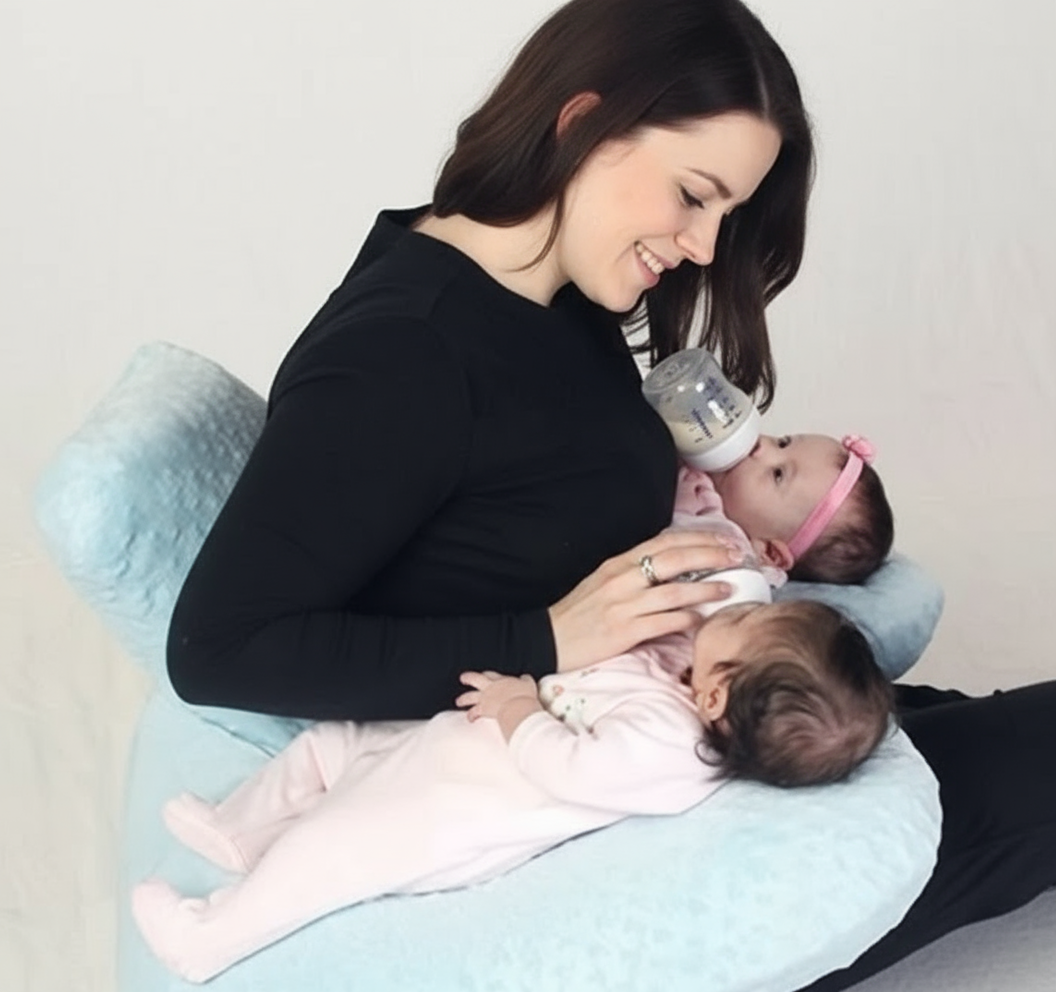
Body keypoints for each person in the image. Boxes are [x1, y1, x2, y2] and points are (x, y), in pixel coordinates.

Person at [161, 0, 1056, 989]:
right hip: (599, 781)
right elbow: (217, 647)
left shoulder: (553, 290)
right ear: (583, 121)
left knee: (980, 720)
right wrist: (547, 637)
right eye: (694, 194)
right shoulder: (403, 352)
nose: (708, 246)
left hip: (678, 701)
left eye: (727, 211)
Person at [133, 591, 891, 983]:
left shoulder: (676, 753)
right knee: (334, 744)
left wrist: (523, 711)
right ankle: (242, 827)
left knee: (326, 855)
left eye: (749, 620)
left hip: (452, 815)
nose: (736, 613)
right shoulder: (682, 684)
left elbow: (574, 769)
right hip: (444, 753)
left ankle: (206, 940)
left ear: (721, 696)